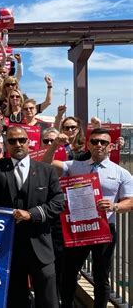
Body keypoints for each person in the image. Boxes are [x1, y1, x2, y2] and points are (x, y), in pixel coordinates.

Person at [45, 128, 133, 308]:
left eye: (103, 142)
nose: (99, 145)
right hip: (79, 229)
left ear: (110, 147)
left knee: (102, 278)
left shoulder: (121, 173)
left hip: (105, 229)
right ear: (88, 145)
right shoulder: (75, 166)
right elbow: (45, 166)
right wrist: (54, 145)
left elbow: (130, 202)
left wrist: (115, 206)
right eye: (94, 142)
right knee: (68, 274)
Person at [0, 126, 64, 308]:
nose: (18, 144)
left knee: (48, 298)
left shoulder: (46, 170)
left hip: (40, 245)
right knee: (15, 298)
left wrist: (31, 214)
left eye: (21, 140)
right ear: (6, 145)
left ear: (28, 142)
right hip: (10, 246)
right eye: (12, 141)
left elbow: (58, 203)